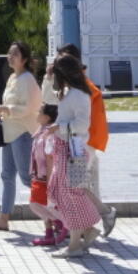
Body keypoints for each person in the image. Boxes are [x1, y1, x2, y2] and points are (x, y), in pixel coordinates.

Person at [42, 43, 117, 236]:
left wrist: (63, 129)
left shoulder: (83, 89)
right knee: (77, 186)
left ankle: (89, 225)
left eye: (62, 60)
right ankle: (93, 222)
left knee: (76, 187)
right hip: (75, 144)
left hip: (81, 145)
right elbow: (49, 99)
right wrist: (48, 78)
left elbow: (85, 121)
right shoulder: (70, 87)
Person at [0, 41, 42, 231]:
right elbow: (10, 105)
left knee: (27, 178)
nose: (10, 57)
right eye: (9, 53)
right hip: (9, 133)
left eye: (14, 54)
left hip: (23, 133)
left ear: (24, 59)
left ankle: (57, 214)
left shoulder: (28, 79)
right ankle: (3, 218)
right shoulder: (13, 78)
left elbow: (31, 107)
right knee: (7, 175)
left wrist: (4, 108)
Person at [46, 55, 101, 258]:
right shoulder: (70, 92)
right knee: (65, 191)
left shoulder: (77, 95)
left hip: (75, 150)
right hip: (70, 148)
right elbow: (48, 97)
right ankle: (87, 230)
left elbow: (81, 125)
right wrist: (47, 77)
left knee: (71, 193)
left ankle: (76, 243)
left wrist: (58, 127)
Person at [27, 103, 62, 246]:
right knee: (38, 204)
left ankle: (60, 223)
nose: (37, 113)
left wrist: (50, 178)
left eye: (40, 112)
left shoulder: (49, 134)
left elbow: (50, 158)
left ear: (47, 117)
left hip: (46, 176)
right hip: (38, 174)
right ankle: (50, 230)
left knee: (39, 204)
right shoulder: (40, 130)